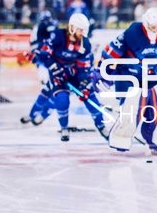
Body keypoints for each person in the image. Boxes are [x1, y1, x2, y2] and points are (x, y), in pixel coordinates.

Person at [100, 7, 157, 154]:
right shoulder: (132, 32)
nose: (154, 29)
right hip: (128, 73)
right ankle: (121, 136)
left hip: (151, 73)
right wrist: (104, 71)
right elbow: (112, 51)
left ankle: (156, 137)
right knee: (132, 106)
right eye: (151, 26)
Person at [38, 13, 108, 142]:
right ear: (72, 28)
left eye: (84, 30)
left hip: (75, 75)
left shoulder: (85, 44)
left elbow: (84, 68)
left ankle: (101, 126)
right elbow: (44, 54)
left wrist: (84, 85)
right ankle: (64, 128)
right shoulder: (57, 36)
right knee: (62, 100)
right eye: (81, 30)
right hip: (58, 74)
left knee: (91, 98)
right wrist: (54, 67)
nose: (83, 33)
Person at [20, 10, 59, 126]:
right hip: (48, 64)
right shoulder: (43, 29)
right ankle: (34, 114)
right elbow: (35, 47)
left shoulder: (53, 32)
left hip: (57, 68)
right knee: (46, 90)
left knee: (57, 93)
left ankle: (42, 116)